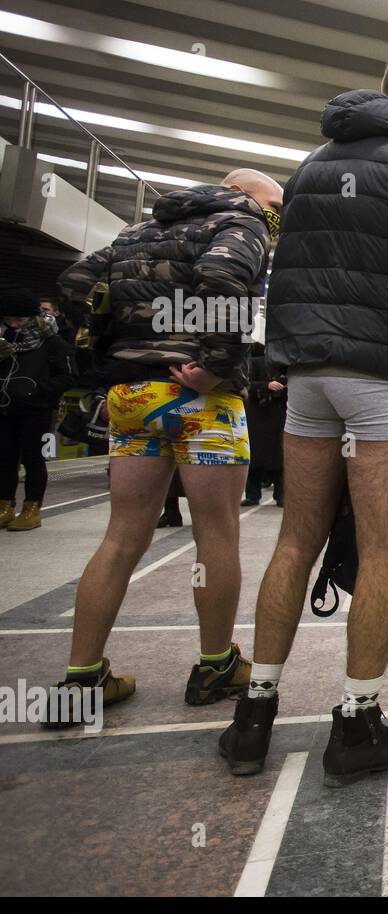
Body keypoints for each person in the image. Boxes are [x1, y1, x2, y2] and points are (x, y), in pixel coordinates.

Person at [217, 47, 388, 783]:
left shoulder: (308, 166)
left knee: (295, 541)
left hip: (310, 382)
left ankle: (253, 716)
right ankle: (358, 723)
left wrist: (301, 356)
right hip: (385, 376)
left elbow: (284, 278)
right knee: (382, 548)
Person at [44, 169, 281, 727]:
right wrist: (217, 364)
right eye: (274, 204)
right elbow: (223, 276)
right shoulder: (240, 220)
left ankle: (82, 677)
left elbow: (77, 284)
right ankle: (216, 665)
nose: (276, 217)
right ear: (244, 194)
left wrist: (116, 355)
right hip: (201, 400)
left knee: (122, 535)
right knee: (217, 534)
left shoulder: (135, 233)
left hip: (133, 395)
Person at [0, 291, 77, 531]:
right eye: (9, 320)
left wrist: (38, 391)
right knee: (5, 458)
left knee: (35, 459)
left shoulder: (53, 342)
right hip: (5, 408)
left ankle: (32, 507)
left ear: (33, 318)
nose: (14, 325)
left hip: (38, 411)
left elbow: (69, 376)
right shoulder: (5, 340)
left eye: (20, 320)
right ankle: (5, 504)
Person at [241, 343, 287, 506]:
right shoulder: (255, 363)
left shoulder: (285, 366)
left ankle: (281, 495)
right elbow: (246, 383)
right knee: (255, 458)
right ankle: (253, 495)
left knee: (280, 459)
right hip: (258, 416)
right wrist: (266, 386)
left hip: (279, 415)